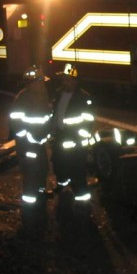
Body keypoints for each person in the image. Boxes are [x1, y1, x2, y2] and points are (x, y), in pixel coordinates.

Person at [49, 63, 95, 203]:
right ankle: (62, 187)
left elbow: (88, 120)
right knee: (59, 164)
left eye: (67, 79)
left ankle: (81, 199)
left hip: (75, 141)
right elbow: (54, 114)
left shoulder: (83, 98)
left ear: (75, 81)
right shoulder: (58, 94)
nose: (65, 82)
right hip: (59, 138)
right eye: (64, 79)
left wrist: (79, 138)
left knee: (76, 169)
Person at [9, 65, 53, 207]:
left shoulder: (43, 96)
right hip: (27, 145)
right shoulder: (22, 98)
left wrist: (46, 135)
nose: (42, 84)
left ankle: (40, 193)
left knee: (42, 169)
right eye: (40, 81)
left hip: (40, 143)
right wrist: (28, 138)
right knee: (31, 172)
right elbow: (15, 122)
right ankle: (30, 204)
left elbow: (46, 119)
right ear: (32, 83)